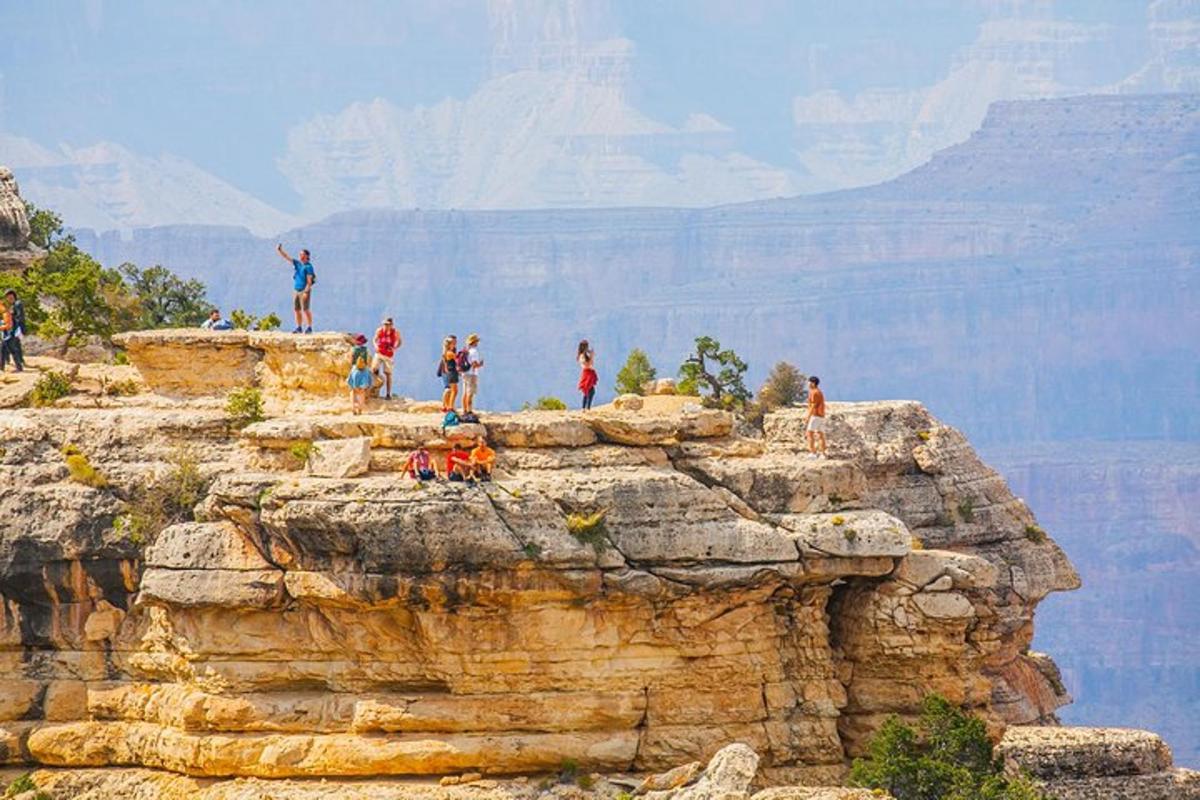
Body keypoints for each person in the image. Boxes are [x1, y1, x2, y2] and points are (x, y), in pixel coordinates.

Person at [275, 243, 315, 333]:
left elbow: (309, 280)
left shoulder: (309, 267)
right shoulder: (297, 264)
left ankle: (309, 327)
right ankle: (299, 327)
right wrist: (280, 250)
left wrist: (306, 291)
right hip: (296, 289)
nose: (300, 255)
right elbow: (287, 257)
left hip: (304, 290)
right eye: (300, 254)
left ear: (307, 256)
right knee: (297, 309)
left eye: (302, 254)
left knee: (306, 309)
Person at [372, 317, 401, 399]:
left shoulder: (395, 332)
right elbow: (374, 339)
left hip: (388, 355)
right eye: (384, 324)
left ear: (391, 325)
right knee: (374, 369)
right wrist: (376, 346)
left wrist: (395, 348)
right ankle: (374, 389)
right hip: (379, 353)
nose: (385, 326)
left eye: (387, 324)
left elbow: (400, 341)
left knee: (388, 374)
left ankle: (388, 394)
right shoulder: (379, 331)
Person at [346, 334, 373, 415]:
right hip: (364, 371)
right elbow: (368, 361)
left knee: (352, 390)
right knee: (362, 391)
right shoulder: (366, 350)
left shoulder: (353, 350)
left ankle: (353, 408)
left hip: (355, 371)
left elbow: (350, 361)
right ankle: (360, 409)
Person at [805, 375, 827, 458]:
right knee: (821, 434)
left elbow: (813, 405)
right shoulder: (819, 392)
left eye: (809, 382)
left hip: (815, 415)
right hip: (821, 415)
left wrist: (808, 416)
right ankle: (823, 454)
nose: (808, 383)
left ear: (813, 383)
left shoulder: (814, 392)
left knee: (809, 433)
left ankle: (813, 452)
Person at [3, 290, 25, 371]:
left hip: (15, 328)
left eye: (9, 297)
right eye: (7, 297)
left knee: (11, 346)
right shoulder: (14, 305)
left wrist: (15, 326)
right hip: (14, 328)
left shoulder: (17, 304)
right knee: (15, 345)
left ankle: (19, 366)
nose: (8, 299)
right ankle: (20, 363)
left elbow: (20, 317)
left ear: (13, 296)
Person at [462, 333, 483, 415]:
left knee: (465, 392)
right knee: (470, 393)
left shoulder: (467, 351)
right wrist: (480, 364)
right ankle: (469, 410)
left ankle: (464, 409)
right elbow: (474, 364)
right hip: (471, 374)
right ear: (475, 342)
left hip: (465, 373)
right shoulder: (474, 352)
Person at [438, 335, 459, 413]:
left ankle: (447, 406)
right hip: (451, 372)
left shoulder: (447, 352)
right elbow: (457, 358)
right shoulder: (449, 353)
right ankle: (449, 406)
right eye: (453, 343)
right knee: (453, 390)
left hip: (451, 371)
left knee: (452, 390)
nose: (455, 344)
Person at [577, 340, 597, 410]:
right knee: (589, 390)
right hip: (587, 372)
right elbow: (588, 364)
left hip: (589, 372)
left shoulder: (584, 355)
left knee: (588, 390)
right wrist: (591, 356)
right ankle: (586, 408)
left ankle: (585, 407)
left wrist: (591, 356)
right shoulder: (582, 355)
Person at [0, 299, 13, 372]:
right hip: (4, 335)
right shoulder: (4, 313)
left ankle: (2, 368)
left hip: (6, 335)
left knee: (3, 351)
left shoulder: (6, 313)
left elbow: (9, 326)